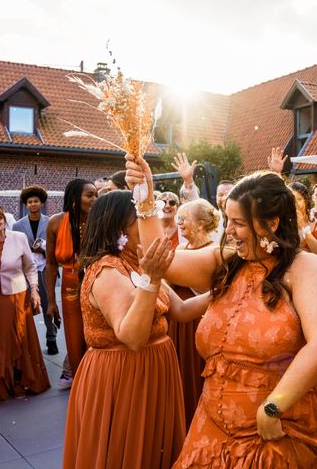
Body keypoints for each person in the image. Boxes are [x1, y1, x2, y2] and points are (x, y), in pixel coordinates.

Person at [126, 156, 317, 467]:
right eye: (228, 220)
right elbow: (161, 259)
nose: (229, 230)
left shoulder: (302, 266)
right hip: (210, 435)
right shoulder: (225, 263)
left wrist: (272, 407)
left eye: (239, 223)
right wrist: (145, 195)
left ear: (271, 223)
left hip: (274, 437)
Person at [63, 190, 209, 468]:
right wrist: (152, 278)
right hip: (124, 374)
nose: (147, 225)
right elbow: (131, 336)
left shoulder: (138, 262)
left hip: (156, 369)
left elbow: (181, 310)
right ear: (120, 227)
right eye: (139, 220)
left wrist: (224, 291)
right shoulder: (107, 271)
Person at [0, 204, 50, 410]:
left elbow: (30, 267)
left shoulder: (18, 238)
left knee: (17, 340)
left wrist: (34, 290)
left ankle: (18, 381)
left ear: (5, 220)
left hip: (16, 297)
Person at [45, 179, 97, 389]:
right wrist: (50, 302)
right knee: (75, 338)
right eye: (90, 195)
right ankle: (81, 383)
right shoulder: (56, 222)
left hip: (97, 284)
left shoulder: (100, 220)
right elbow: (49, 264)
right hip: (69, 287)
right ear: (75, 199)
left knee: (96, 335)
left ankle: (98, 381)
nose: (95, 199)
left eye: (96, 194)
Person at [172, 199, 220, 426]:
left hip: (198, 322)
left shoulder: (213, 252)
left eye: (184, 218)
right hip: (176, 324)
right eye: (179, 218)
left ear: (201, 224)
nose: (179, 222)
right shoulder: (180, 249)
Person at [13, 185, 58, 355]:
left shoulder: (51, 222)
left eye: (36, 201)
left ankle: (51, 338)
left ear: (42, 203)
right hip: (25, 270)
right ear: (26, 204)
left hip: (46, 268)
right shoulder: (18, 225)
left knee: (48, 304)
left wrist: (43, 250)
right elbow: (15, 248)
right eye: (30, 202)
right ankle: (26, 340)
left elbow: (57, 247)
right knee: (25, 306)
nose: (33, 204)